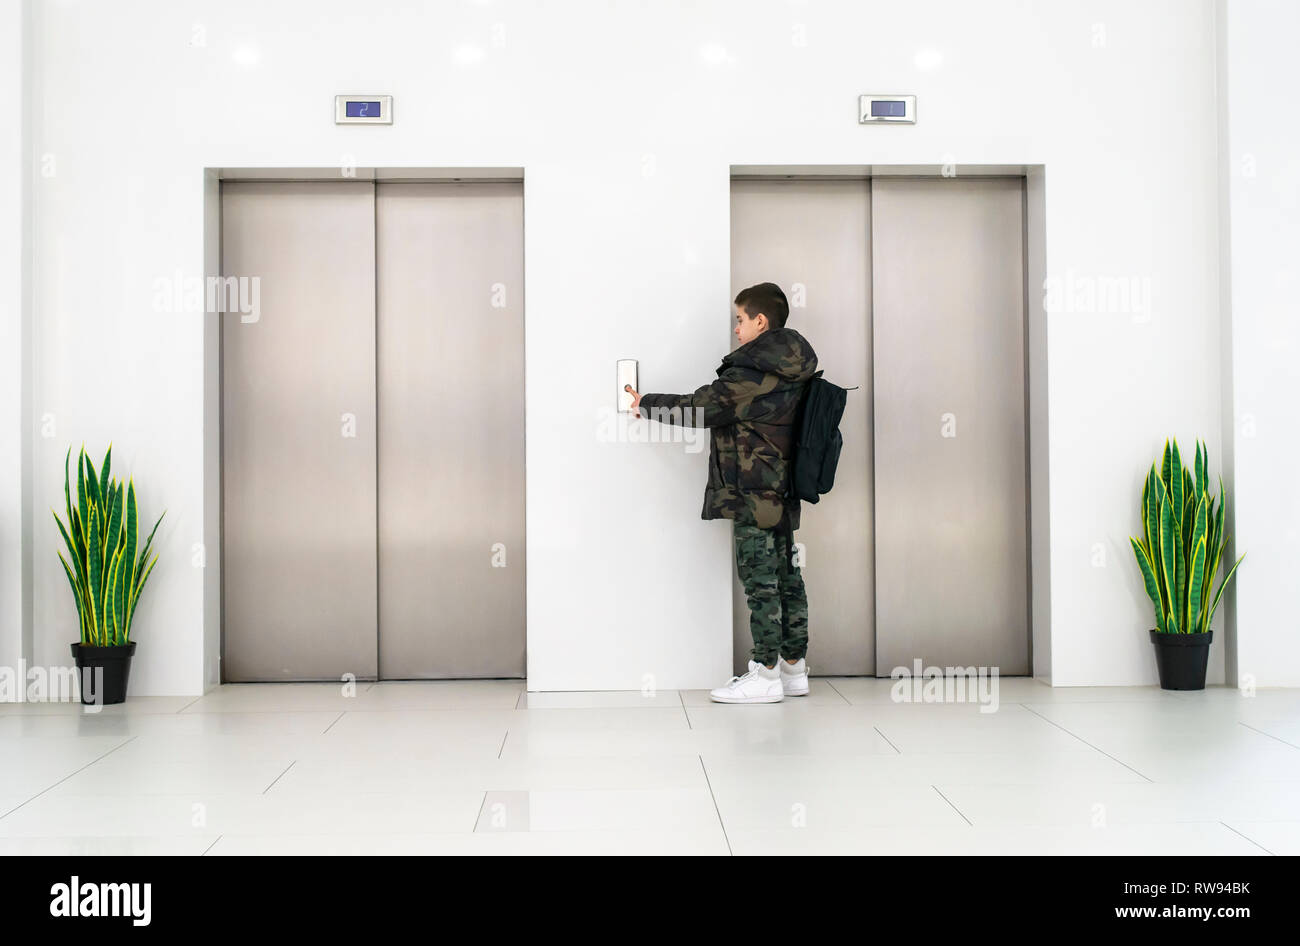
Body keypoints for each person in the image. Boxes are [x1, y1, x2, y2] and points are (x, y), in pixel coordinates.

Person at [625, 282, 819, 703]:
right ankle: (793, 667)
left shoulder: (754, 372)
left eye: (740, 319)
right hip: (783, 487)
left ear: (760, 321)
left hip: (751, 490)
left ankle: (765, 675)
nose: (736, 328)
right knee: (787, 576)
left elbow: (702, 406)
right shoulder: (794, 368)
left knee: (760, 580)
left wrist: (646, 402)